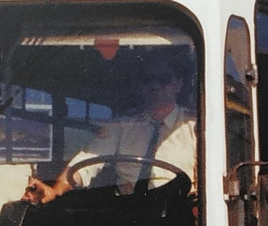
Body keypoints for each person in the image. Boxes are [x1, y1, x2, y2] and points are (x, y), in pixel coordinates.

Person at [23, 56, 196, 204]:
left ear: (178, 84)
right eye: (147, 79)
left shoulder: (195, 128)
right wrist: (57, 190)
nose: (155, 85)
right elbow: (89, 160)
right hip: (130, 212)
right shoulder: (122, 126)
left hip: (177, 214)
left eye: (164, 79)